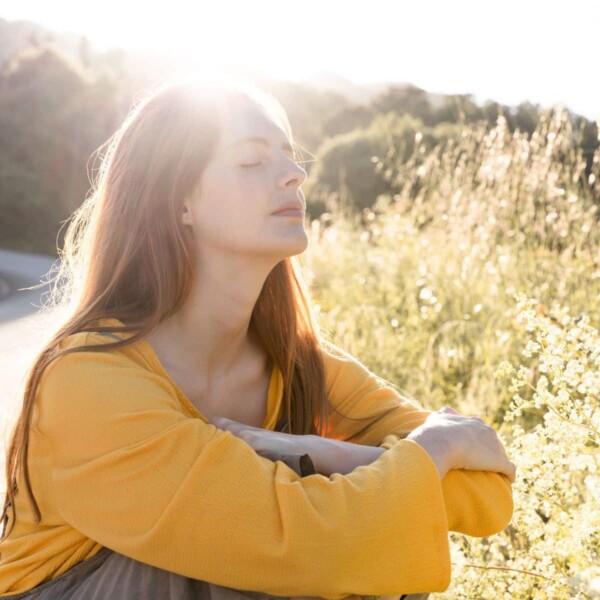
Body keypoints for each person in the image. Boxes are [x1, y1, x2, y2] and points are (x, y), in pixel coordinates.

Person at [0, 75, 516, 599]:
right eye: (252, 162)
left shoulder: (298, 364)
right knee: (278, 551)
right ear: (178, 202)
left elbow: (491, 492)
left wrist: (324, 453)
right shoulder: (88, 379)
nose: (294, 175)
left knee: (374, 522)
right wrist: (425, 455)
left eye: (291, 158)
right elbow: (306, 546)